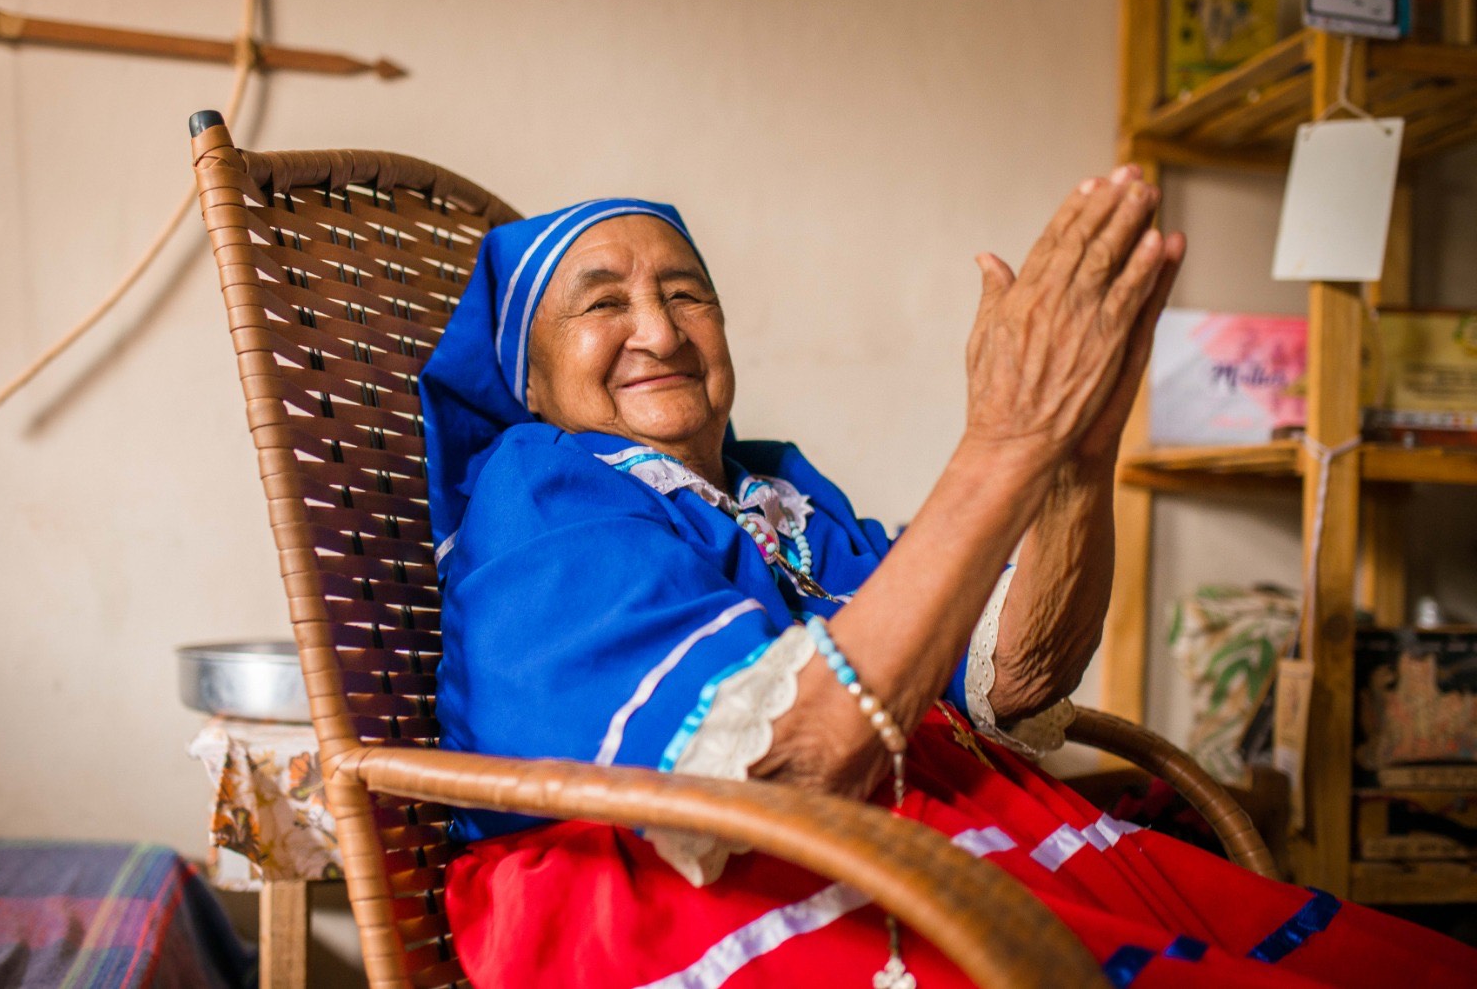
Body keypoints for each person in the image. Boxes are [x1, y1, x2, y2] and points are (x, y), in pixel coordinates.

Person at [417, 176, 1473, 988]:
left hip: (897, 835)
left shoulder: (777, 496)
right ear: (531, 378)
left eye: (686, 292)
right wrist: (1004, 444)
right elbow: (778, 771)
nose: (659, 328)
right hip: (660, 883)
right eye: (602, 304)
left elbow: (1010, 679)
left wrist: (1073, 463)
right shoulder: (543, 486)